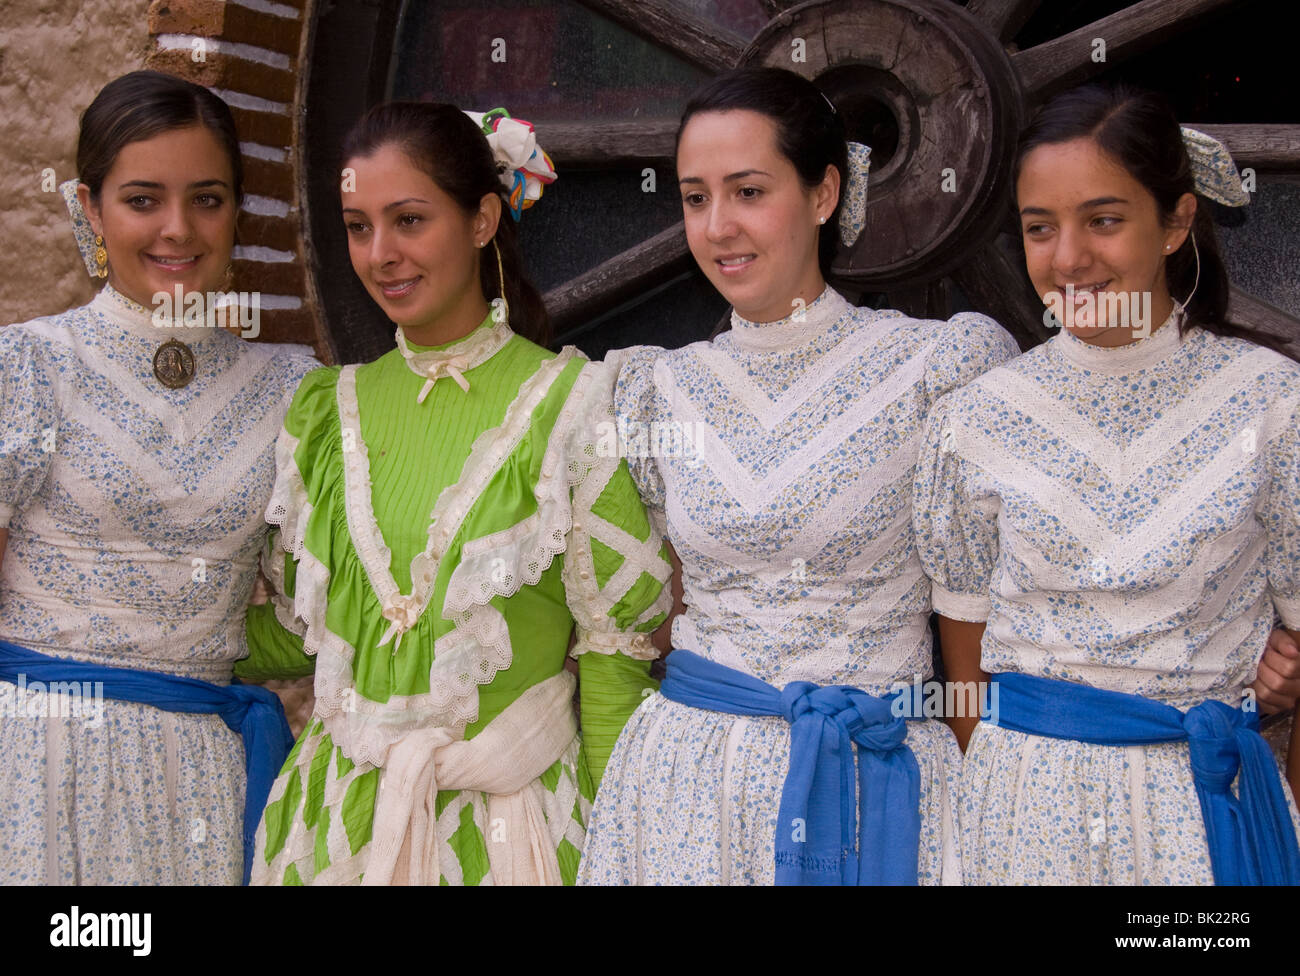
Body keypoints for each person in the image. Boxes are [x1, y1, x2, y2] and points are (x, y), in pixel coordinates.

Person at [577, 67, 1022, 886]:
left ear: (824, 193)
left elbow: (979, 631)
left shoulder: (935, 367)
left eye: (748, 191)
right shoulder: (653, 390)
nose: (718, 227)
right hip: (690, 789)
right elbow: (671, 598)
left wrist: (989, 805)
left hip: (876, 780)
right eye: (695, 197)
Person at [249, 102, 672, 885]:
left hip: (514, 835)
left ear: (482, 220)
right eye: (358, 225)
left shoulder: (574, 406)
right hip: (334, 828)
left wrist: (624, 856)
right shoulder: (323, 412)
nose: (381, 254)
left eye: (409, 219)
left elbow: (615, 663)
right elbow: (289, 634)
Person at [913, 83, 1300, 884]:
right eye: (1039, 228)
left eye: (1104, 219)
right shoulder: (976, 420)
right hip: (1020, 824)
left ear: (1178, 222)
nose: (1068, 258)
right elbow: (965, 674)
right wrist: (993, 809)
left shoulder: (1272, 406)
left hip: (1205, 819)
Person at [0, 70, 318, 885]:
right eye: (143, 200)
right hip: (36, 763)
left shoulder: (291, 388)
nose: (178, 229)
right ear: (88, 208)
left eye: (207, 199)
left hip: (199, 770)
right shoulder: (29, 366)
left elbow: (310, 611)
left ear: (237, 211)